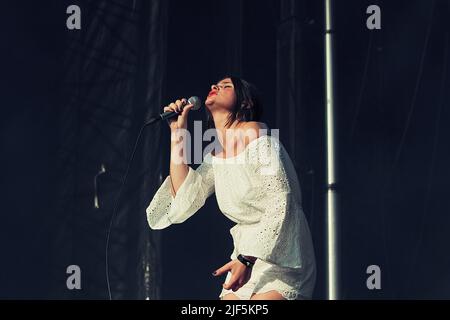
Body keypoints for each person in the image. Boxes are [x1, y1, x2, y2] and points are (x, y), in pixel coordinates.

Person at [146, 77, 316, 300]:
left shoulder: (258, 137)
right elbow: (184, 196)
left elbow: (281, 200)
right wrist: (177, 133)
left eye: (226, 86)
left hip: (282, 253)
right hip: (244, 256)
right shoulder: (216, 155)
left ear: (246, 104)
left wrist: (248, 259)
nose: (215, 87)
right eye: (214, 85)